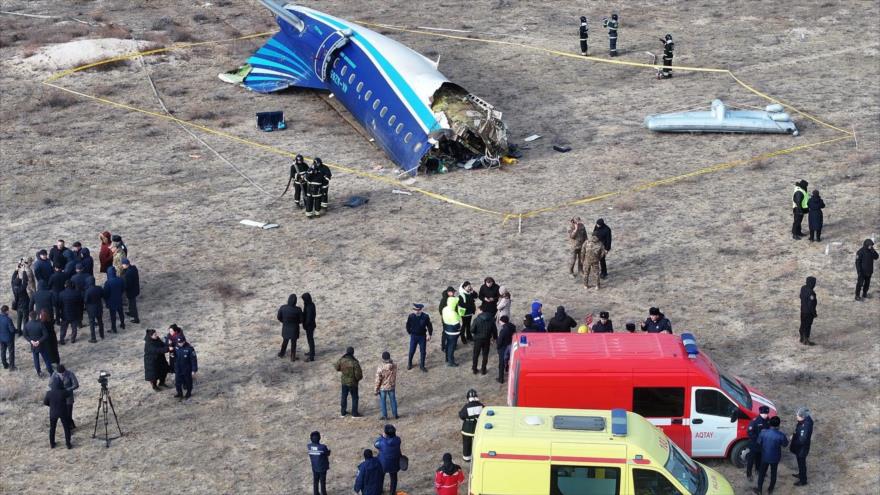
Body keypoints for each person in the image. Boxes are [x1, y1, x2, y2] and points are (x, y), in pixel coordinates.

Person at [755, 416, 788, 495]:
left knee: (762, 473)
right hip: (775, 458)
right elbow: (785, 444)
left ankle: (759, 490)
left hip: (765, 456)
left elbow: (758, 442)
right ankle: (770, 489)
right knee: (773, 473)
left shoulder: (763, 432)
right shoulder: (781, 435)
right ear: (779, 425)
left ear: (769, 423)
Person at [43, 378, 73, 449]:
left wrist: (51, 405)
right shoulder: (63, 392)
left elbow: (45, 402)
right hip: (63, 412)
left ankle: (52, 444)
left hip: (53, 413)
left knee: (52, 428)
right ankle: (68, 444)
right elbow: (69, 394)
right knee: (66, 428)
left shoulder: (49, 393)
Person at [374, 424, 403, 495]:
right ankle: (392, 492)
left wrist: (382, 437)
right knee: (394, 478)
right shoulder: (398, 440)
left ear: (386, 434)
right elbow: (394, 439)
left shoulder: (382, 442)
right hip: (394, 463)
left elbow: (375, 444)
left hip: (383, 464)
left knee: (380, 477)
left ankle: (379, 490)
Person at [335, 346, 363, 417]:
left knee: (344, 396)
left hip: (344, 382)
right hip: (353, 383)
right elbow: (358, 374)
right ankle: (354, 413)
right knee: (354, 398)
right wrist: (357, 379)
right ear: (353, 353)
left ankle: (343, 412)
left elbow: (336, 367)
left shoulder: (342, 360)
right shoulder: (354, 362)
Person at [49, 364, 79, 428]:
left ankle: (69, 427)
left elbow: (76, 384)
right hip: (59, 397)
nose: (61, 375)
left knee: (68, 413)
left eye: (63, 373)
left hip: (68, 397)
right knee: (63, 414)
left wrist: (67, 390)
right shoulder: (55, 374)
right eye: (60, 373)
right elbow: (50, 384)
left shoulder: (70, 374)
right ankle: (70, 425)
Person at [746, 405, 770, 481]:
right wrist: (758, 439)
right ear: (760, 413)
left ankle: (758, 470)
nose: (765, 415)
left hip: (763, 445)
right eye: (764, 414)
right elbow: (750, 432)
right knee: (751, 460)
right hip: (754, 444)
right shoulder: (755, 421)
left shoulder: (768, 420)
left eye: (766, 414)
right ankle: (749, 474)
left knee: (759, 458)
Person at [471, 305, 497, 375]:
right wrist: (494, 338)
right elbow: (494, 330)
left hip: (478, 339)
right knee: (485, 355)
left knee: (476, 355)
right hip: (487, 339)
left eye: (478, 310)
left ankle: (474, 369)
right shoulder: (491, 319)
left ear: (481, 310)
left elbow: (472, 330)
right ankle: (483, 370)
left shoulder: (476, 320)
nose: (477, 311)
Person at [24, 312, 53, 376]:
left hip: (33, 345)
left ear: (30, 317)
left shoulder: (27, 325)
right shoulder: (40, 324)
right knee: (46, 359)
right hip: (42, 345)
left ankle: (38, 372)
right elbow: (46, 335)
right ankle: (51, 372)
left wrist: (31, 341)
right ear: (36, 316)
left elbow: (25, 335)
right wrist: (39, 341)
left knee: (36, 359)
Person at [790, 407, 813, 487]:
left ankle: (803, 480)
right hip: (801, 448)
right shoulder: (807, 419)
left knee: (801, 464)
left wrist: (793, 440)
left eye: (798, 415)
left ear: (803, 417)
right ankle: (800, 474)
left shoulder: (805, 426)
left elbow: (801, 441)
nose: (796, 416)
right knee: (800, 463)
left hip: (801, 449)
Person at [405, 303, 432, 371]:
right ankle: (409, 364)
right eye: (415, 309)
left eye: (418, 310)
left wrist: (429, 334)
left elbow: (429, 326)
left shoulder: (425, 316)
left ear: (421, 310)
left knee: (423, 352)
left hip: (422, 337)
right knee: (411, 351)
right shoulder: (411, 316)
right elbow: (407, 325)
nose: (416, 311)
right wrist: (409, 332)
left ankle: (422, 366)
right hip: (414, 336)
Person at [459, 389, 484, 462]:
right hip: (478, 428)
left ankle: (467, 458)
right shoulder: (481, 405)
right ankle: (477, 457)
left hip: (467, 429)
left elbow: (461, 415)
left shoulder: (467, 406)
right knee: (478, 443)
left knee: (467, 444)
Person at [276, 293, 302, 361]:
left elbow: (279, 317)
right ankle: (292, 357)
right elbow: (301, 320)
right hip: (294, 329)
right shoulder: (298, 309)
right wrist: (296, 323)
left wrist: (284, 322)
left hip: (286, 328)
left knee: (285, 341)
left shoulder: (283, 307)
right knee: (294, 343)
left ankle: (282, 353)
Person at [441, 287, 462, 366]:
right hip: (453, 333)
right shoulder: (454, 313)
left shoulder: (445, 309)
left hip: (446, 330)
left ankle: (447, 358)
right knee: (451, 347)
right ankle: (451, 362)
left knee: (448, 345)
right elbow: (458, 324)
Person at [374, 351, 399, 420]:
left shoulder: (381, 367)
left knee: (383, 401)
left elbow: (378, 379)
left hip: (383, 387)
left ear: (383, 358)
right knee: (393, 400)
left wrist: (376, 389)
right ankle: (395, 414)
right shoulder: (394, 365)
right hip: (391, 385)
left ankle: (385, 416)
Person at [173, 335, 198, 399]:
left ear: (184, 341)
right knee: (177, 382)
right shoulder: (176, 347)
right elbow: (174, 356)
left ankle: (188, 393)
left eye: (181, 342)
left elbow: (193, 360)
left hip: (187, 369)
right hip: (178, 368)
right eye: (178, 342)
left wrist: (194, 370)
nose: (180, 344)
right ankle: (179, 393)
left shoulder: (190, 348)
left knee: (188, 382)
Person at [308, 431, 331, 495]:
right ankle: (323, 493)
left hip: (314, 467)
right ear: (319, 438)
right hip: (322, 468)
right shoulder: (323, 447)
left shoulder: (309, 446)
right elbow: (327, 453)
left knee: (315, 481)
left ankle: (316, 493)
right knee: (322, 482)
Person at [103, 266, 125, 333]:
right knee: (121, 312)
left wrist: (106, 299)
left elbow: (106, 293)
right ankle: (122, 324)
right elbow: (123, 289)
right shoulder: (120, 279)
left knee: (113, 316)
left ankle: (114, 328)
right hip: (119, 299)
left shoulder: (108, 282)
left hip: (111, 301)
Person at [84, 277, 105, 342]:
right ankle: (102, 335)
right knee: (100, 321)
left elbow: (86, 300)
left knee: (92, 323)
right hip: (99, 307)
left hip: (91, 309)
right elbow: (102, 295)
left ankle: (93, 338)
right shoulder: (99, 288)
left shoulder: (87, 291)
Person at [496, 315, 516, 383]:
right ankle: (507, 369)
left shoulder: (503, 330)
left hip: (504, 347)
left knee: (501, 363)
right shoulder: (512, 326)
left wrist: (498, 348)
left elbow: (500, 341)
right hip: (511, 345)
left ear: (502, 322)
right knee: (510, 359)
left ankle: (501, 378)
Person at [798, 277, 817, 345]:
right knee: (807, 325)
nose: (814, 284)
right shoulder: (811, 293)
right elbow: (811, 305)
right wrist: (814, 313)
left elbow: (800, 296)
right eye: (814, 283)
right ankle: (806, 340)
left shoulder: (803, 288)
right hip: (808, 312)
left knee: (803, 324)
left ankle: (802, 337)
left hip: (803, 310)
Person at [121, 258, 140, 324]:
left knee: (133, 304)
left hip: (131, 291)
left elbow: (127, 284)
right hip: (135, 289)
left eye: (123, 264)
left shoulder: (128, 274)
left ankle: (136, 319)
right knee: (131, 303)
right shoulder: (133, 268)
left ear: (126, 265)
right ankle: (131, 312)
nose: (122, 265)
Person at [301, 292, 317, 361]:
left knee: (310, 340)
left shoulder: (309, 306)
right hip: (311, 325)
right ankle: (311, 352)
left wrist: (305, 325)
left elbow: (309, 318)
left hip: (309, 326)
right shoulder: (310, 304)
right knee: (310, 339)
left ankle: (311, 356)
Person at [0, 305, 15, 370]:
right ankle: (11, 367)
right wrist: (16, 330)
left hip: (1, 338)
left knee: (3, 351)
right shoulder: (8, 319)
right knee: (11, 352)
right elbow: (12, 330)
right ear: (6, 311)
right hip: (9, 338)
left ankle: (5, 364)